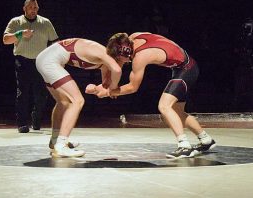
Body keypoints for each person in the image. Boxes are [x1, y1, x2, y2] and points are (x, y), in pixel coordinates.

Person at [87, 32, 215, 159]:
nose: (122, 63)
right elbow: (119, 63)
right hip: (184, 67)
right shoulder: (133, 38)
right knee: (176, 112)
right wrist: (110, 85)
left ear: (126, 52)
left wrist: (108, 92)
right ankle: (206, 139)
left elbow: (133, 87)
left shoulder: (141, 57)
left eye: (120, 59)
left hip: (187, 69)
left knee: (164, 106)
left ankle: (184, 146)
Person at [36, 38, 122, 157]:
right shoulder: (104, 53)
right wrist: (114, 87)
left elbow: (105, 84)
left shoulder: (104, 62)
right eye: (124, 60)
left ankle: (55, 140)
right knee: (77, 101)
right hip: (49, 62)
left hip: (44, 59)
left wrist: (102, 89)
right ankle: (61, 146)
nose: (124, 63)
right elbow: (117, 70)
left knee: (63, 102)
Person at [3, 0, 59, 133]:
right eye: (31, 7)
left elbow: (55, 42)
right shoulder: (16, 22)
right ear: (25, 8)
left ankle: (36, 117)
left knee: (41, 95)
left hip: (41, 61)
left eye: (35, 8)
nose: (33, 10)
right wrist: (21, 34)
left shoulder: (45, 22)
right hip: (22, 60)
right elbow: (5, 40)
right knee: (23, 93)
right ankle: (22, 123)